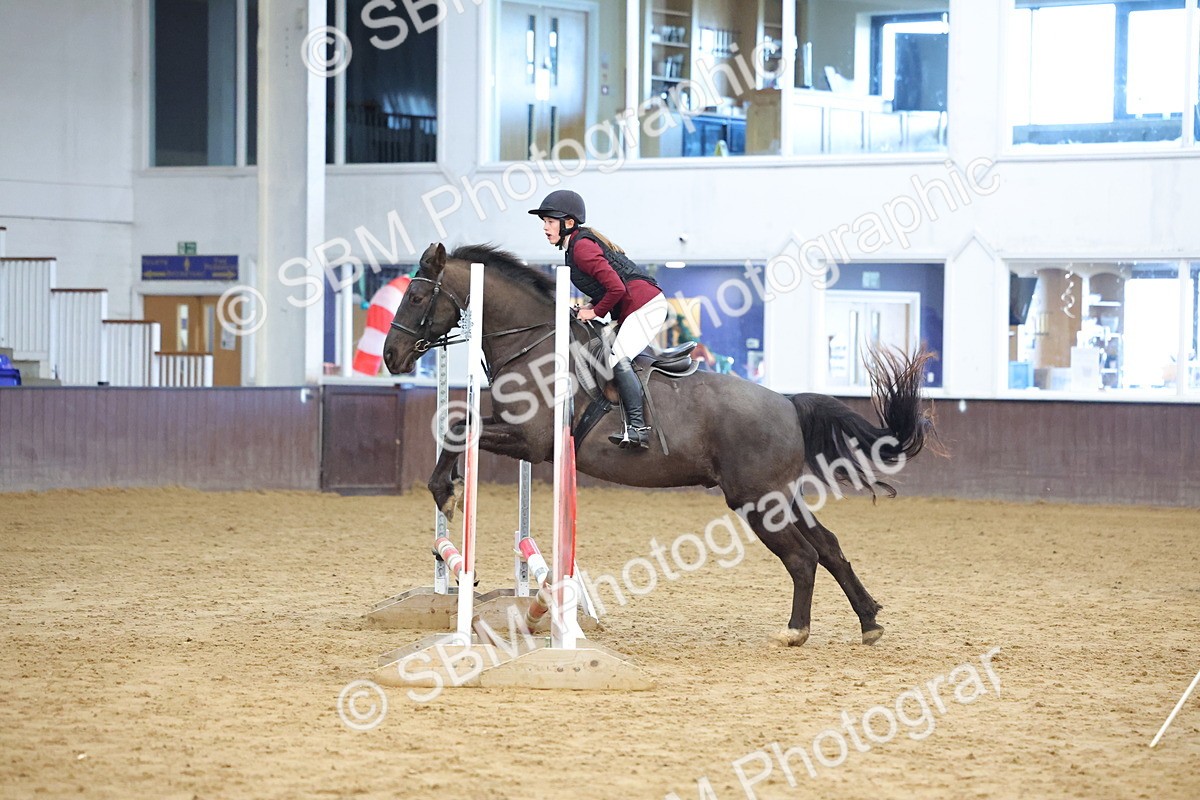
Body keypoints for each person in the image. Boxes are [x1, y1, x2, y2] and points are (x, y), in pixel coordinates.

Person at [528, 189, 669, 450]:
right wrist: (591, 307)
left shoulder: (581, 249)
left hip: (646, 305)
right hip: (635, 306)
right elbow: (608, 290)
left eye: (549, 222)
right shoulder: (575, 247)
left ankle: (638, 428)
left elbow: (617, 288)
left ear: (568, 223)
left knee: (617, 357)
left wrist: (594, 312)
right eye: (544, 222)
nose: (545, 228)